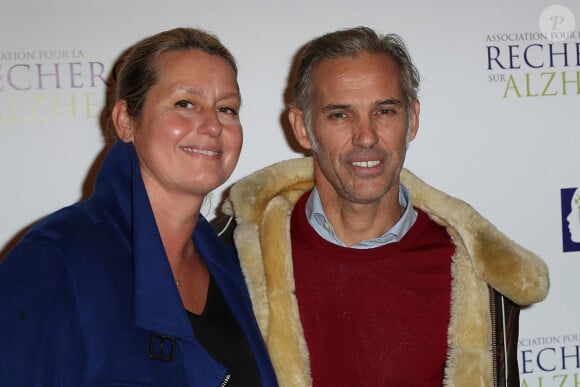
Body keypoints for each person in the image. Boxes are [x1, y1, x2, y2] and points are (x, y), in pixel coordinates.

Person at [212, 26, 550, 386]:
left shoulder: (477, 271)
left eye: (385, 111)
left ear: (412, 119)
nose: (367, 136)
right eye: (340, 115)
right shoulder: (235, 260)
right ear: (302, 127)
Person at [0, 27, 278, 387]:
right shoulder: (56, 259)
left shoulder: (234, 268)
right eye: (185, 104)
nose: (212, 125)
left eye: (227, 108)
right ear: (126, 121)